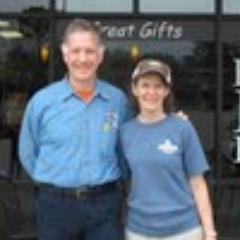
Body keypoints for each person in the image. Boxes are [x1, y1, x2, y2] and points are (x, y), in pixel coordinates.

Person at [18, 19, 129, 240]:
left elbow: (127, 148)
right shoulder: (42, 101)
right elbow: (28, 153)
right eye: (76, 51)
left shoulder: (117, 101)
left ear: (100, 55)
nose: (82, 59)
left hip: (104, 206)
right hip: (55, 207)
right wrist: (55, 182)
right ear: (65, 54)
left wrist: (172, 120)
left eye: (89, 51)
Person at [119, 59, 217, 240]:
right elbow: (123, 180)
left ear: (166, 91)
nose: (151, 92)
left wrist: (209, 231)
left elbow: (197, 183)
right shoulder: (125, 132)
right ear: (135, 89)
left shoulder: (182, 128)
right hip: (139, 230)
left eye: (158, 86)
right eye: (145, 85)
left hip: (183, 230)